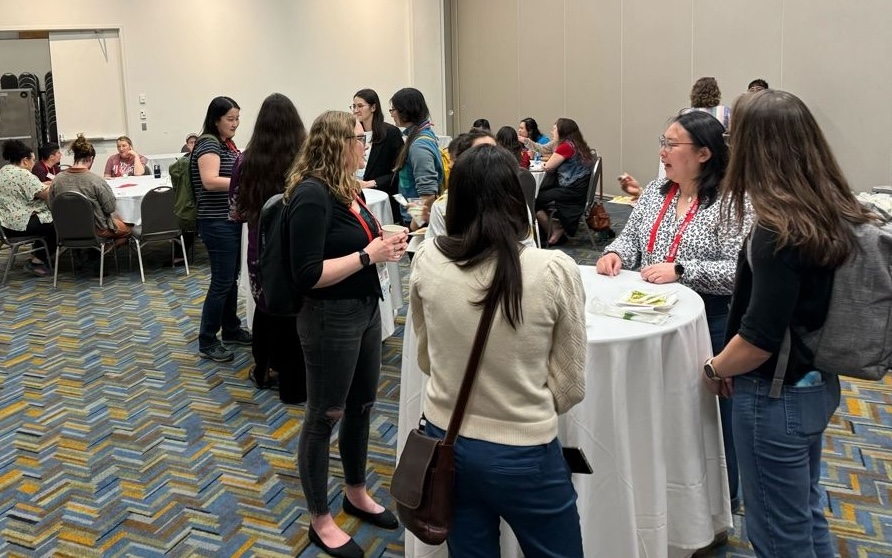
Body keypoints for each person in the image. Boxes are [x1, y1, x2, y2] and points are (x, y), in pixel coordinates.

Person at [704, 89, 877, 558]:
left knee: (778, 536)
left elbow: (758, 339)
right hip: (815, 385)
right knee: (804, 511)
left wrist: (715, 368)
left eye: (732, 135)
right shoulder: (829, 211)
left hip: (773, 399)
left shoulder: (776, 229)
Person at [410, 144, 586, 557]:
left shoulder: (429, 259)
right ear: (516, 199)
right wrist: (520, 401)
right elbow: (571, 385)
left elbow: (425, 357)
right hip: (523, 448)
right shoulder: (552, 270)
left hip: (444, 437)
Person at [595, 109, 752, 525]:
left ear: (703, 153)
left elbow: (741, 272)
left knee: (710, 417)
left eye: (672, 144)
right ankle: (662, 502)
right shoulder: (656, 192)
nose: (663, 152)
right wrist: (616, 253)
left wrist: (683, 270)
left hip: (707, 323)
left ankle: (720, 506)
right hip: (646, 319)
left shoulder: (733, 203)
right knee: (659, 414)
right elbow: (631, 236)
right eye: (661, 142)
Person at [286, 111, 408, 558]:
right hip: (328, 317)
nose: (366, 146)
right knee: (325, 415)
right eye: (359, 140)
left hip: (363, 310)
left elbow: (364, 247)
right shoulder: (312, 195)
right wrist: (366, 255)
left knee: (361, 405)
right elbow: (307, 274)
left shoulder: (350, 189)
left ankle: (354, 492)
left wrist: (384, 248)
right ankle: (320, 519)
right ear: (337, 144)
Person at [228, 93, 307, 402]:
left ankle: (265, 367)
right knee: (299, 307)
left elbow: (235, 211)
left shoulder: (245, 160)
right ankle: (299, 372)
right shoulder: (305, 158)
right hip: (300, 241)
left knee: (265, 306)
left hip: (261, 246)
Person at [192, 96, 251, 363]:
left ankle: (230, 328)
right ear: (216, 119)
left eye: (237, 118)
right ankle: (207, 339)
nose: (235, 124)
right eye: (230, 119)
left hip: (229, 219)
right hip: (216, 221)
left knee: (230, 279)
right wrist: (245, 184)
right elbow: (210, 181)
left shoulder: (226, 144)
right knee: (221, 281)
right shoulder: (208, 143)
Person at [50, 135, 132, 254]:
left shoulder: (57, 180)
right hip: (96, 229)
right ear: (91, 158)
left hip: (67, 229)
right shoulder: (95, 180)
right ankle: (102, 253)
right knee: (129, 229)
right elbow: (110, 208)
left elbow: (51, 205)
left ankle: (87, 253)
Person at [534, 117, 595, 246]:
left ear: (562, 131)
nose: (552, 132)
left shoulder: (565, 146)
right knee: (542, 193)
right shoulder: (576, 144)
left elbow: (549, 166)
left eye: (554, 129)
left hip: (571, 191)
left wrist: (545, 163)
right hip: (579, 189)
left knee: (534, 199)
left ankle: (554, 228)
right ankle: (553, 227)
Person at [389, 87, 443, 232]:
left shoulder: (419, 145)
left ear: (405, 112)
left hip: (419, 223)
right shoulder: (420, 136)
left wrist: (412, 228)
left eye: (393, 110)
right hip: (417, 218)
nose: (392, 114)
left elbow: (428, 194)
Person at [426, 128, 496, 240]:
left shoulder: (512, 201)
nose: (490, 159)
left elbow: (525, 248)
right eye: (480, 154)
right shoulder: (444, 206)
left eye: (494, 152)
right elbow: (437, 252)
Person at [0, 139, 54, 276]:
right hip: (20, 225)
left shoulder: (4, 171)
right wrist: (53, 185)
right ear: (25, 160)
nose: (33, 164)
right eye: (33, 160)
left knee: (42, 218)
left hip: (5, 225)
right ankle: (37, 261)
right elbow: (46, 195)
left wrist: (43, 184)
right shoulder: (24, 174)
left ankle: (38, 255)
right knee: (56, 223)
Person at [352, 88, 404, 221]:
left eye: (360, 106)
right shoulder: (352, 133)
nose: (355, 110)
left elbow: (398, 171)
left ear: (373, 107)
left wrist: (371, 183)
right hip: (356, 192)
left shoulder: (391, 133)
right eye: (354, 106)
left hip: (381, 194)